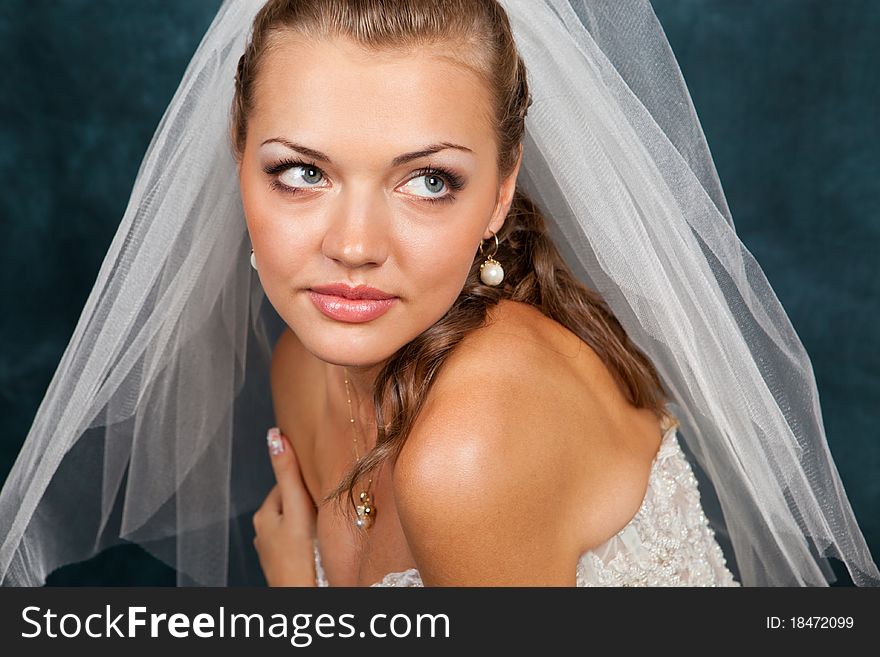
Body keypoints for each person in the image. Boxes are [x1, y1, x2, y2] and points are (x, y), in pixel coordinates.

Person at [1, 0, 878, 587]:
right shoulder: (303, 367)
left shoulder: (473, 446)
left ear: (501, 192)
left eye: (427, 182)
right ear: (239, 158)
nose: (351, 247)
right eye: (301, 171)